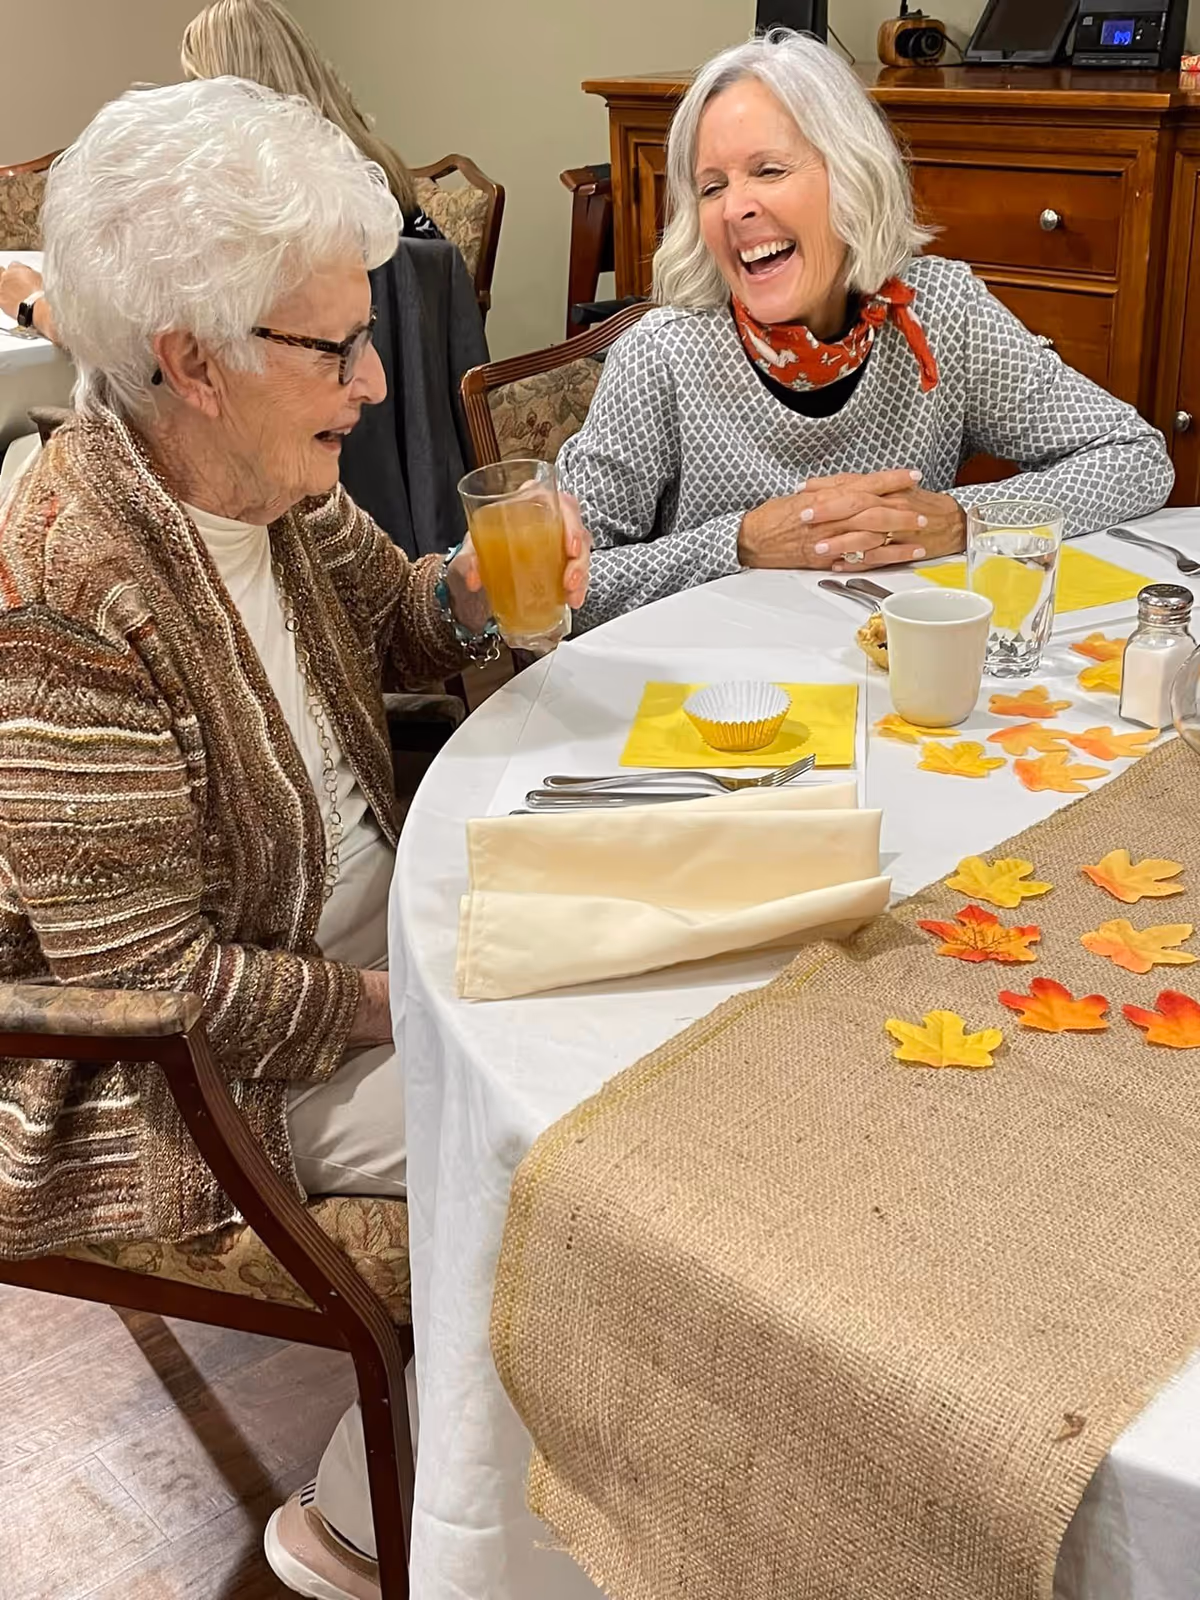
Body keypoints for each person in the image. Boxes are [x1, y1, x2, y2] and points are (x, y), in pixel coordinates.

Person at [0, 79, 588, 1600]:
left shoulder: (264, 476)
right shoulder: (66, 584)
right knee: (579, 1159)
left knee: (646, 1024)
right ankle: (350, 1525)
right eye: (335, 346)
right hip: (212, 1074)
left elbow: (403, 619)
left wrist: (477, 593)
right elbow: (160, 987)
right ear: (191, 363)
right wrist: (413, 1006)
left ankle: (536, 1486)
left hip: (381, 955)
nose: (378, 384)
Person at [558, 29, 1174, 632]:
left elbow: (1137, 459)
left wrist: (966, 519)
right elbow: (564, 594)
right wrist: (741, 543)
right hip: (712, 706)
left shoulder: (941, 311)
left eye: (769, 170)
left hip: (899, 693)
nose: (734, 207)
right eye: (712, 186)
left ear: (851, 174)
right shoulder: (660, 354)